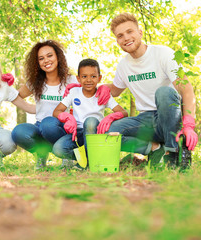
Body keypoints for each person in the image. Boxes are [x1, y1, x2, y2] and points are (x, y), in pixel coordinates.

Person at [98, 13, 198, 169]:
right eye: (120, 35)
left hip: (169, 117)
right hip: (144, 120)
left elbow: (187, 89)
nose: (126, 38)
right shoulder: (123, 65)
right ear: (117, 40)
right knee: (107, 133)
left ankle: (174, 153)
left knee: (164, 92)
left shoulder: (163, 54)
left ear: (140, 32)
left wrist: (189, 125)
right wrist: (97, 87)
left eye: (130, 31)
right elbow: (116, 90)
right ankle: (155, 149)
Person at [11, 40, 79, 170]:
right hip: (40, 127)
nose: (46, 60)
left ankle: (66, 154)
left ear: (58, 57)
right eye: (41, 58)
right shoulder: (35, 83)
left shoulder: (72, 80)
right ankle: (41, 153)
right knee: (18, 132)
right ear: (37, 63)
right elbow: (15, 96)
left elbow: (90, 91)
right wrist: (5, 85)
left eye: (49, 56)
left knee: (49, 124)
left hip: (63, 129)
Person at [51, 58, 128, 167]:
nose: (88, 80)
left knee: (90, 121)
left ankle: (88, 164)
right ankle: (88, 159)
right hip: (77, 134)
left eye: (93, 76)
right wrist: (68, 117)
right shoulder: (74, 92)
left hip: (95, 134)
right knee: (58, 149)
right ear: (78, 78)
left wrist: (110, 117)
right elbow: (56, 111)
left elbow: (124, 112)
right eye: (84, 76)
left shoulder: (103, 95)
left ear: (99, 78)